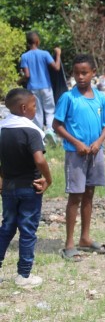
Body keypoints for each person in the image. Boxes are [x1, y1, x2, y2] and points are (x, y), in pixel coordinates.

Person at [52, 54, 105, 262]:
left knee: (89, 193)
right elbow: (57, 125)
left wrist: (98, 142)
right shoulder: (68, 98)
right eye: (77, 73)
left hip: (95, 153)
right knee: (75, 196)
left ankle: (85, 238)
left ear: (93, 73)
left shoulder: (100, 98)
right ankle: (69, 243)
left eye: (84, 73)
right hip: (75, 154)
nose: (80, 77)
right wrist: (77, 143)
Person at [0, 89, 52, 288]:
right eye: (34, 106)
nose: (35, 110)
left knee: (7, 227)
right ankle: (24, 275)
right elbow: (39, 159)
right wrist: (48, 178)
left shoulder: (3, 128)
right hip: (30, 187)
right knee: (28, 230)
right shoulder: (31, 131)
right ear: (24, 108)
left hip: (8, 188)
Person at [19, 31, 61, 131]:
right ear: (38, 42)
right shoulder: (45, 54)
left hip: (32, 88)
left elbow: (27, 75)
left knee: (37, 111)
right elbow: (56, 68)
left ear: (28, 43)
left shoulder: (24, 56)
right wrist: (58, 54)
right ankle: (50, 132)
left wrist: (19, 81)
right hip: (46, 86)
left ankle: (39, 133)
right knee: (49, 110)